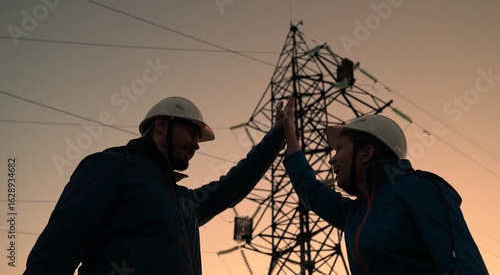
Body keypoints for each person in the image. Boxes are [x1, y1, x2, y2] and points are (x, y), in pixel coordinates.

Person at [24, 96, 293, 275]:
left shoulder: (185, 201)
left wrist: (276, 137)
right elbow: (59, 246)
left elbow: (234, 184)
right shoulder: (112, 166)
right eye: (191, 132)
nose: (196, 144)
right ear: (162, 125)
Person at [281, 101, 489, 274]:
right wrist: (289, 134)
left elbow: (463, 267)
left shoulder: (421, 190)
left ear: (366, 153)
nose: (332, 160)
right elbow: (310, 191)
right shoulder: (355, 213)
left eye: (340, 148)